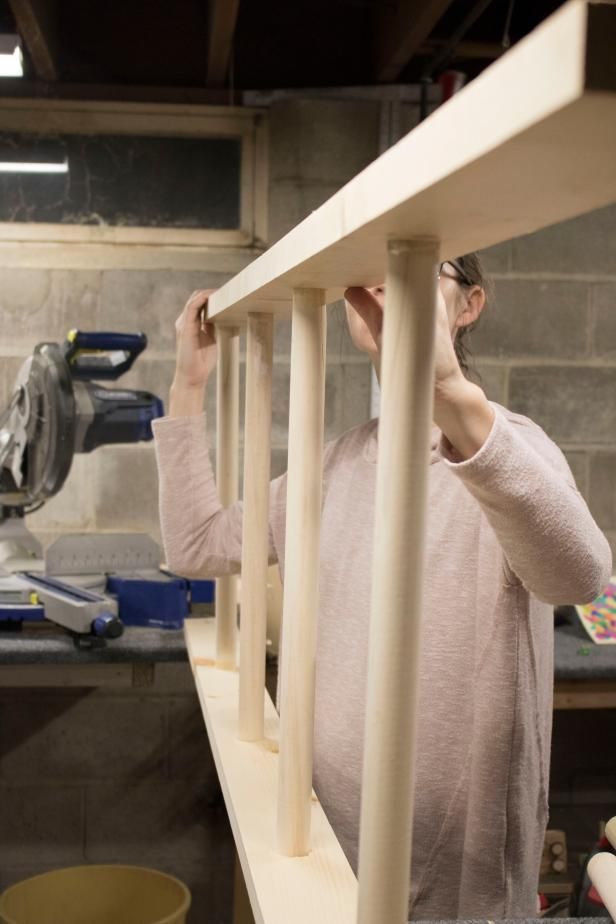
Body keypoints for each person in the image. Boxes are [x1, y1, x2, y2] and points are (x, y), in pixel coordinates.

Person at [152, 255, 611, 920]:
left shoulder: (511, 450)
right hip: (330, 848)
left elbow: (580, 575)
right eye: (369, 264)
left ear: (469, 304)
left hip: (462, 881)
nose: (383, 280)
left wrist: (450, 393)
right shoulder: (334, 464)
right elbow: (198, 546)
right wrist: (189, 383)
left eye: (421, 266)